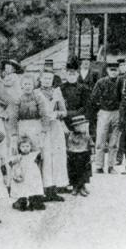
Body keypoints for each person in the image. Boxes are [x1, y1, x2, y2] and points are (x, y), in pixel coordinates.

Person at [37, 71, 68, 201]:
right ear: (40, 79)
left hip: (55, 127)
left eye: (49, 78)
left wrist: (58, 114)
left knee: (56, 157)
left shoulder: (57, 92)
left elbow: (64, 111)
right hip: (42, 128)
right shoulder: (35, 93)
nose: (47, 81)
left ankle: (53, 190)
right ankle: (42, 190)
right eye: (44, 78)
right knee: (45, 157)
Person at [7, 73, 51, 157]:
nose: (27, 86)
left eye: (29, 84)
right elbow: (13, 117)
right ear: (21, 86)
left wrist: (44, 131)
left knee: (37, 151)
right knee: (21, 150)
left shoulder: (38, 98)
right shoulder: (17, 99)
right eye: (25, 84)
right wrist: (14, 134)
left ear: (33, 85)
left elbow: (44, 115)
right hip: (22, 127)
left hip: (36, 127)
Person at [92, 61, 122, 174]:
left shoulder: (121, 82)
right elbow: (94, 97)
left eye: (116, 70)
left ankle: (111, 165)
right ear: (107, 71)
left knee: (114, 141)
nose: (113, 73)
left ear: (119, 71)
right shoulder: (101, 82)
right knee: (100, 139)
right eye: (111, 70)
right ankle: (99, 166)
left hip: (117, 112)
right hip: (104, 112)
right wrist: (101, 106)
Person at [9, 136, 45, 211]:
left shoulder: (33, 155)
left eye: (27, 146)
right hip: (23, 175)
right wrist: (15, 160)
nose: (25, 148)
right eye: (23, 146)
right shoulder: (18, 156)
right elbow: (11, 163)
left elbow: (40, 157)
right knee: (22, 189)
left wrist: (41, 148)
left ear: (31, 146)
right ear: (19, 147)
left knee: (33, 188)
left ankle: (33, 202)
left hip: (32, 175)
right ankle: (22, 202)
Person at [60, 58, 92, 131]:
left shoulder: (83, 88)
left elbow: (86, 106)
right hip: (64, 118)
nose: (71, 76)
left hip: (79, 118)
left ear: (77, 75)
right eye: (69, 74)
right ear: (66, 75)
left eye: (73, 74)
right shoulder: (61, 88)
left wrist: (72, 113)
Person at [66, 115, 93, 197]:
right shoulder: (70, 135)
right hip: (74, 155)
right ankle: (75, 187)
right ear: (74, 127)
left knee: (84, 171)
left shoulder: (86, 135)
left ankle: (82, 186)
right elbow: (68, 145)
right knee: (74, 171)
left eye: (83, 125)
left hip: (84, 154)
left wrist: (92, 155)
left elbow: (91, 144)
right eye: (79, 126)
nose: (82, 127)